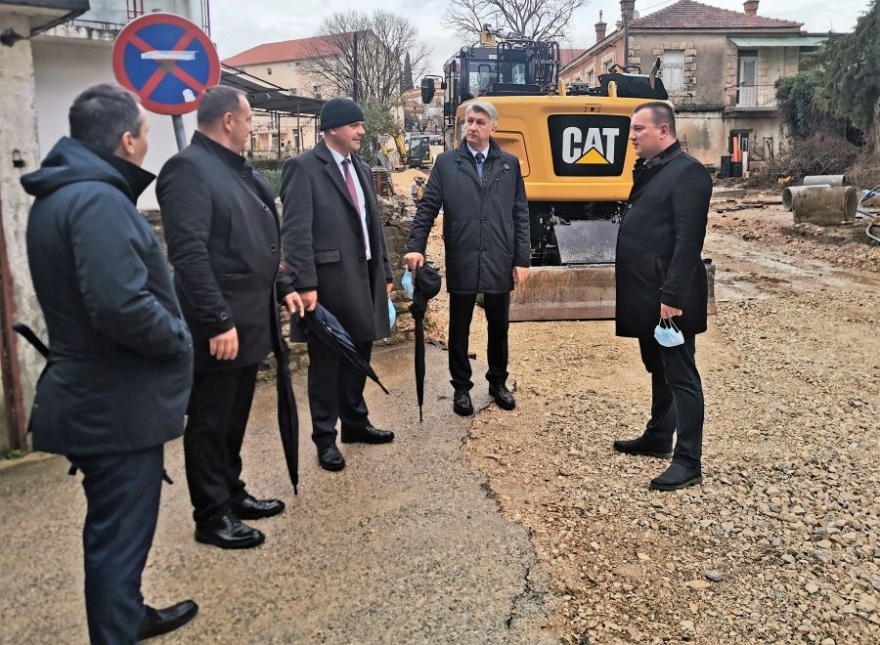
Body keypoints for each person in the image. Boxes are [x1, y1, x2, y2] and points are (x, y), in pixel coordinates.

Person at [20, 83, 198, 643]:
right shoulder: (97, 200)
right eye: (145, 131)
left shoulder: (65, 194)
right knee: (118, 533)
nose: (147, 141)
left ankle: (126, 612)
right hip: (112, 403)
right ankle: (117, 628)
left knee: (116, 529)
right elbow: (120, 305)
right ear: (127, 140)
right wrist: (178, 337)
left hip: (99, 395)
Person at [157, 85, 304, 549]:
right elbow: (189, 255)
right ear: (227, 121)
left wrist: (283, 288)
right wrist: (217, 320)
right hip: (221, 326)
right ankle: (211, 513)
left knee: (235, 413)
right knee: (210, 420)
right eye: (248, 120)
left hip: (251, 320)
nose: (252, 127)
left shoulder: (238, 170)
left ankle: (231, 490)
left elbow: (259, 246)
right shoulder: (187, 170)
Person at [280, 97, 395, 472]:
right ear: (332, 129)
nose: (362, 131)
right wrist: (304, 284)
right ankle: (325, 438)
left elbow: (372, 225)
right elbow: (295, 232)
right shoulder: (302, 168)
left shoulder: (360, 167)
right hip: (327, 283)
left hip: (364, 277)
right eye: (354, 125)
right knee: (327, 364)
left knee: (359, 354)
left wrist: (386, 273)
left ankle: (355, 423)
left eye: (361, 124)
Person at [404, 100, 530, 416]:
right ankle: (461, 387)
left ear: (493, 128)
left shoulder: (509, 165)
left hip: (499, 255)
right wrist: (416, 245)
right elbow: (428, 207)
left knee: (499, 325)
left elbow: (520, 214)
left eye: (479, 122)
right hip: (462, 254)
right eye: (469, 121)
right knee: (460, 325)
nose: (472, 127)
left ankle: (498, 381)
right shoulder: (447, 163)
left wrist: (522, 259)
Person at [612, 102, 712, 491]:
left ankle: (688, 460)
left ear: (664, 131)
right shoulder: (653, 169)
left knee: (681, 374)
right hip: (646, 291)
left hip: (669, 295)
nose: (632, 136)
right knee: (658, 367)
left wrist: (672, 294)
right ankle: (658, 436)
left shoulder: (688, 173)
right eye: (632, 129)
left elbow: (688, 241)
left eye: (639, 129)